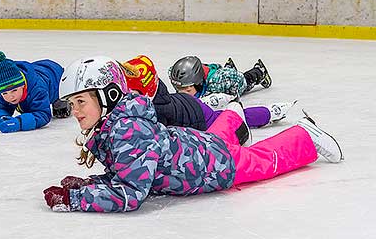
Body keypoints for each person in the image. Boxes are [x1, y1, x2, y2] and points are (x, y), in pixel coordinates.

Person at [42, 56, 344, 213]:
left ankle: (305, 136)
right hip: (199, 148)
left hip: (213, 167)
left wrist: (75, 198)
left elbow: (132, 193)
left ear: (107, 96)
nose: (76, 111)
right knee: (219, 138)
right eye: (72, 104)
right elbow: (128, 173)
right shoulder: (116, 125)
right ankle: (232, 116)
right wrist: (91, 182)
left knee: (261, 161)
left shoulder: (125, 132)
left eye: (80, 102)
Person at [121, 55, 294, 144]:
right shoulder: (156, 94)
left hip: (199, 115)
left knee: (235, 118)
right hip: (189, 104)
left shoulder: (156, 109)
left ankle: (271, 111)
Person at [0, 51, 70, 133]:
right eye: (4, 93)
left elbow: (43, 114)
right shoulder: (3, 89)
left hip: (55, 75)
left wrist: (19, 122)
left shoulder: (37, 89)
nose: (10, 96)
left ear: (23, 85)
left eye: (14, 90)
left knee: (60, 107)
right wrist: (1, 118)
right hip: (37, 69)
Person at [169, 55, 271, 98]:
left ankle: (259, 71)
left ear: (198, 83)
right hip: (214, 72)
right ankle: (228, 68)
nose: (182, 94)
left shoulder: (216, 82)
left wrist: (232, 97)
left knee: (245, 82)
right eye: (179, 89)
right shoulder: (176, 77)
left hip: (232, 79)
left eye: (187, 90)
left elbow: (235, 95)